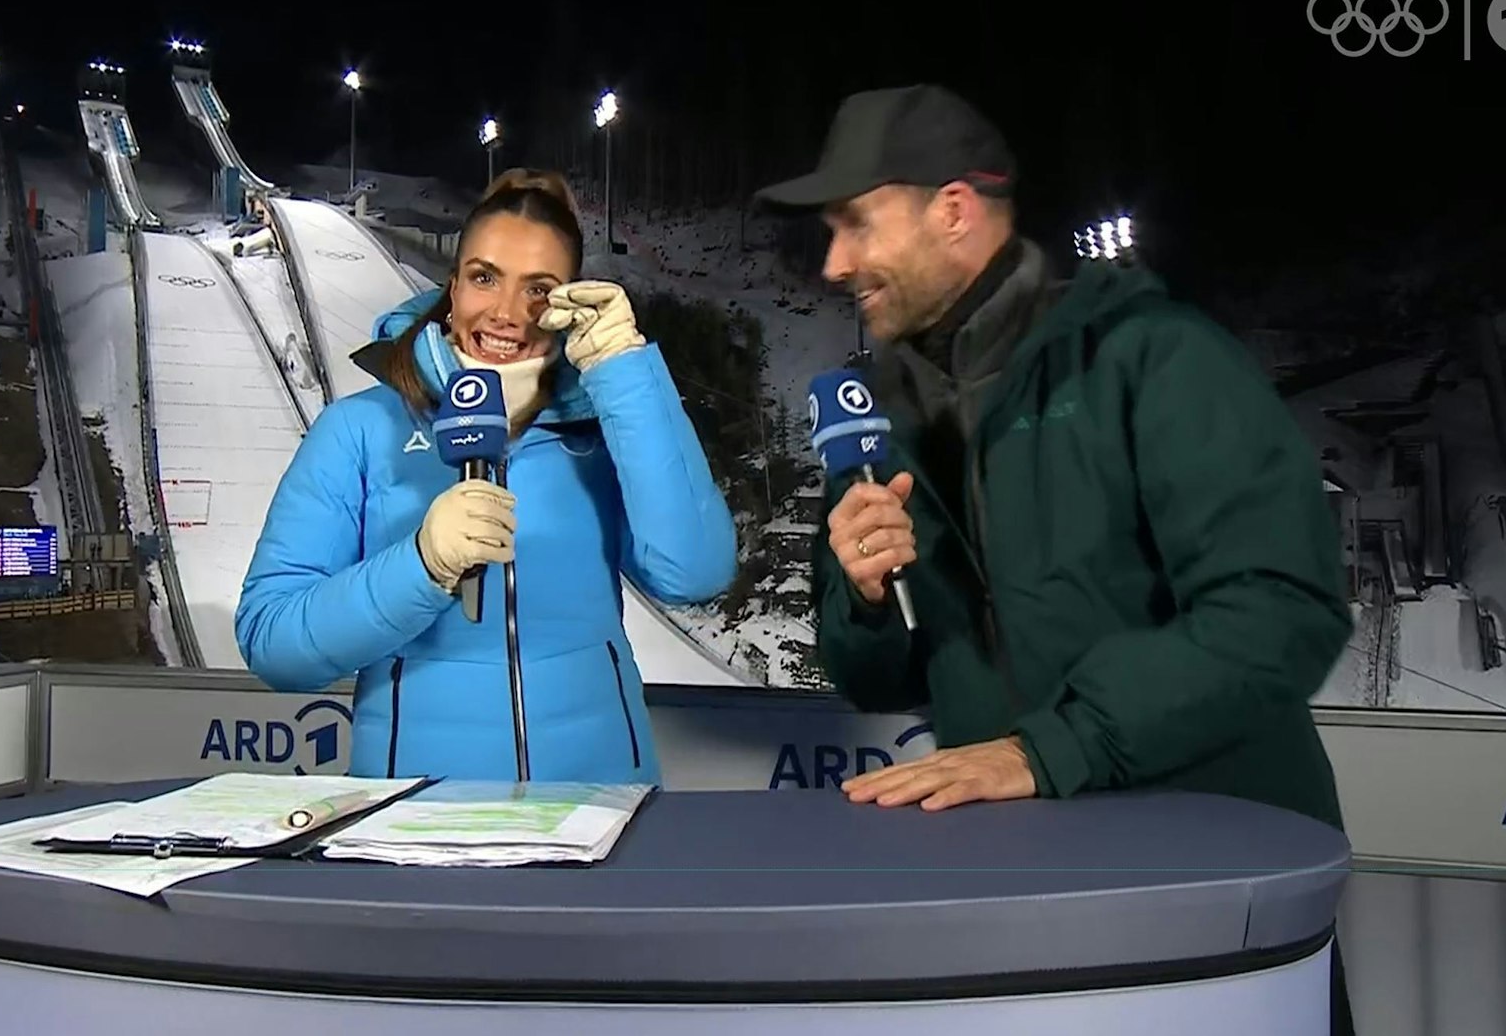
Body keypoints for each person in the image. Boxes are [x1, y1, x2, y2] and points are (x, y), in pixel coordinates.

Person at [755, 84, 1357, 1033]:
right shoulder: (877, 413)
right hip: (1013, 898)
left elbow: (1279, 606)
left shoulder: (1149, 356)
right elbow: (869, 676)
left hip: (1210, 886)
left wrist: (1048, 749)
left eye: (855, 225)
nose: (834, 263)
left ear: (950, 210)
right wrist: (866, 595)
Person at [236, 168, 737, 785]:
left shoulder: (604, 428)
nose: (505, 314)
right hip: (411, 823)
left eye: (538, 290)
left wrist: (624, 373)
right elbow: (273, 642)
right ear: (452, 287)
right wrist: (421, 565)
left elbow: (694, 572)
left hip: (599, 807)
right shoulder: (360, 429)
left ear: (569, 303)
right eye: (484, 278)